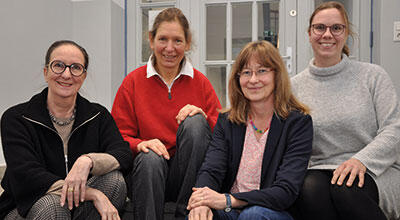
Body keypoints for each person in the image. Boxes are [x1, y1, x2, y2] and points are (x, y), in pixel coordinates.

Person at [0, 40, 133, 220]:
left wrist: (87, 161)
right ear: (46, 72)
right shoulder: (17, 118)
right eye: (58, 66)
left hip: (79, 208)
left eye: (76, 68)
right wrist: (93, 194)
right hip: (26, 209)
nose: (67, 74)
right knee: (53, 206)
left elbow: (123, 154)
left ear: (84, 76)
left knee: (114, 182)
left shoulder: (98, 115)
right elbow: (27, 176)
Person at [291, 2, 400, 220]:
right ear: (310, 33)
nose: (327, 34)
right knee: (308, 190)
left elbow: (393, 129)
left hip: (376, 169)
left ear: (346, 33)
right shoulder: (293, 87)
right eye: (320, 27)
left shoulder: (373, 76)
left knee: (346, 189)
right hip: (320, 171)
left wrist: (361, 161)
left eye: (336, 28)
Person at [111, 7, 221, 220]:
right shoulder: (132, 82)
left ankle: (185, 213)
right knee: (151, 157)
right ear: (151, 40)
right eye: (163, 39)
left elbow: (222, 138)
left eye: (177, 41)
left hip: (186, 175)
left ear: (187, 43)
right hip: (146, 174)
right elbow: (117, 139)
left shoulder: (201, 83)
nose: (169, 48)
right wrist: (139, 144)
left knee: (196, 121)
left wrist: (205, 119)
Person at [186, 40, 313, 220]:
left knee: (253, 215)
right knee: (199, 216)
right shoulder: (227, 121)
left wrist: (230, 200)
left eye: (262, 71)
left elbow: (285, 191)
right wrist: (202, 202)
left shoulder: (298, 124)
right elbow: (211, 170)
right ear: (238, 80)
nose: (253, 80)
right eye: (246, 72)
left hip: (272, 211)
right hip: (230, 210)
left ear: (277, 76)